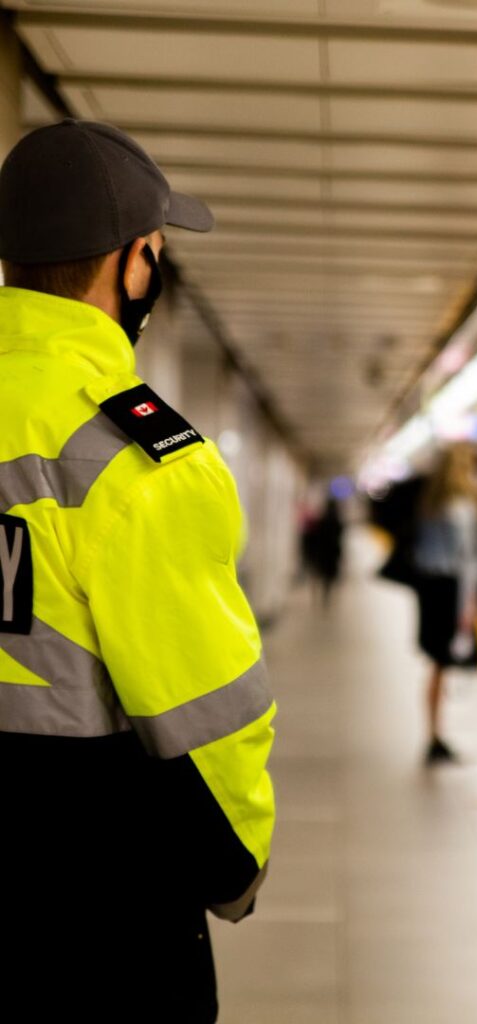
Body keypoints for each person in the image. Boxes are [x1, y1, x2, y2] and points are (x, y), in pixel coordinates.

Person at [0, 119, 275, 1023]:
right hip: (90, 915)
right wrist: (237, 869)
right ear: (132, 264)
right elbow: (206, 719)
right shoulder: (138, 457)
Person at [414, 443, 477, 763]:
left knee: (437, 666)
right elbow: (467, 561)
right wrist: (469, 605)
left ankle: (434, 733)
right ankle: (434, 738)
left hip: (430, 591)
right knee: (442, 664)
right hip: (450, 591)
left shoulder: (432, 505)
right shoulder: (462, 507)